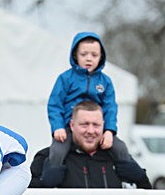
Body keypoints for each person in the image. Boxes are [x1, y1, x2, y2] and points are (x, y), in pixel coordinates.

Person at [47, 31, 124, 170]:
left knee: (120, 148)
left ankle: (130, 178)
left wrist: (109, 131)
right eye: (84, 54)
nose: (89, 59)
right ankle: (52, 177)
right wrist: (58, 127)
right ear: (75, 55)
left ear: (101, 57)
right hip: (68, 128)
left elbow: (110, 107)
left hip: (96, 129)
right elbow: (54, 105)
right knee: (57, 151)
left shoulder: (105, 81)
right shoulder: (65, 78)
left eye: (94, 55)